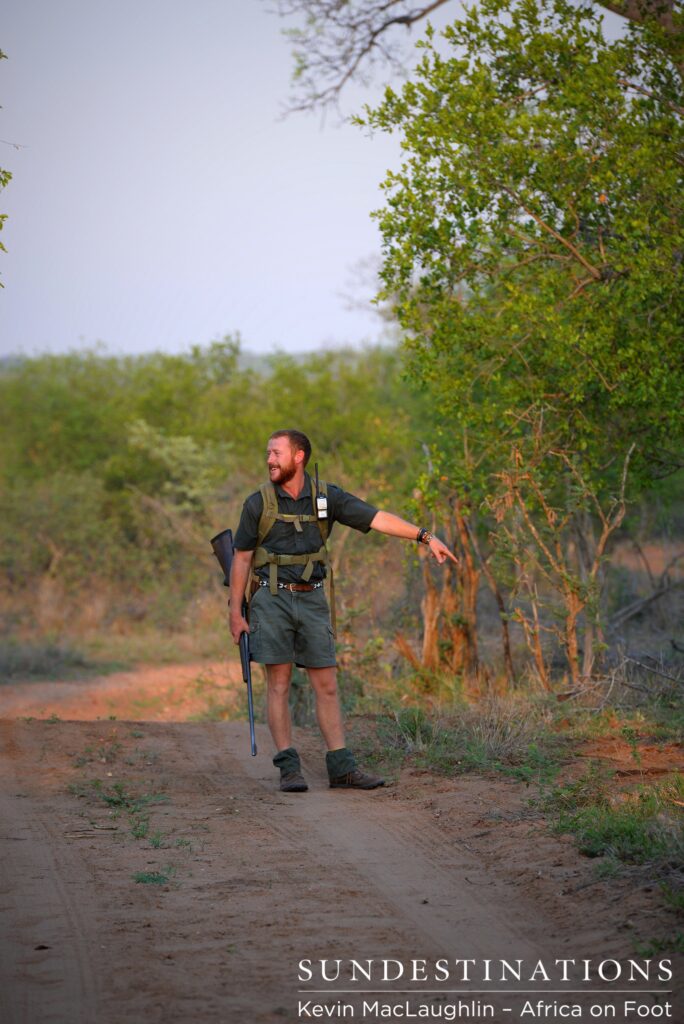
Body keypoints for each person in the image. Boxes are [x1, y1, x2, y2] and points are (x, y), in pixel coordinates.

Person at [229, 429, 457, 793]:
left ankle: (341, 768)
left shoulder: (326, 496)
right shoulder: (258, 502)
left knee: (327, 684)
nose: (269, 460)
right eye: (268, 453)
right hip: (271, 598)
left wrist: (426, 537)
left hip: (313, 598)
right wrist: (235, 612)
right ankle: (289, 767)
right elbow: (241, 557)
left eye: (276, 453)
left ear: (299, 456)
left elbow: (377, 518)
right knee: (279, 683)